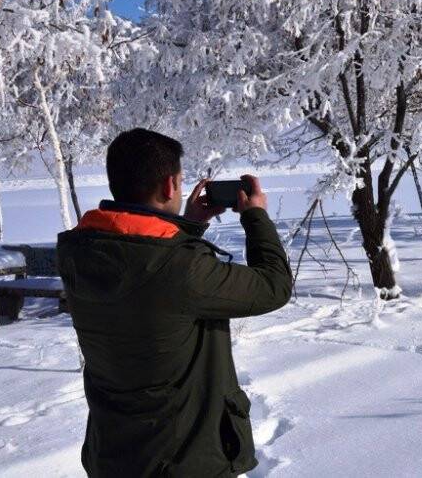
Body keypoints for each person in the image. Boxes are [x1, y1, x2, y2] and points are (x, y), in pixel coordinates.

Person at [57, 128, 292, 477]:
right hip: (183, 460)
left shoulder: (81, 251)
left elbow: (146, 271)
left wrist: (188, 227)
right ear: (169, 186)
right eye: (179, 183)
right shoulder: (181, 269)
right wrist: (255, 216)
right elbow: (274, 286)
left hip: (114, 454)